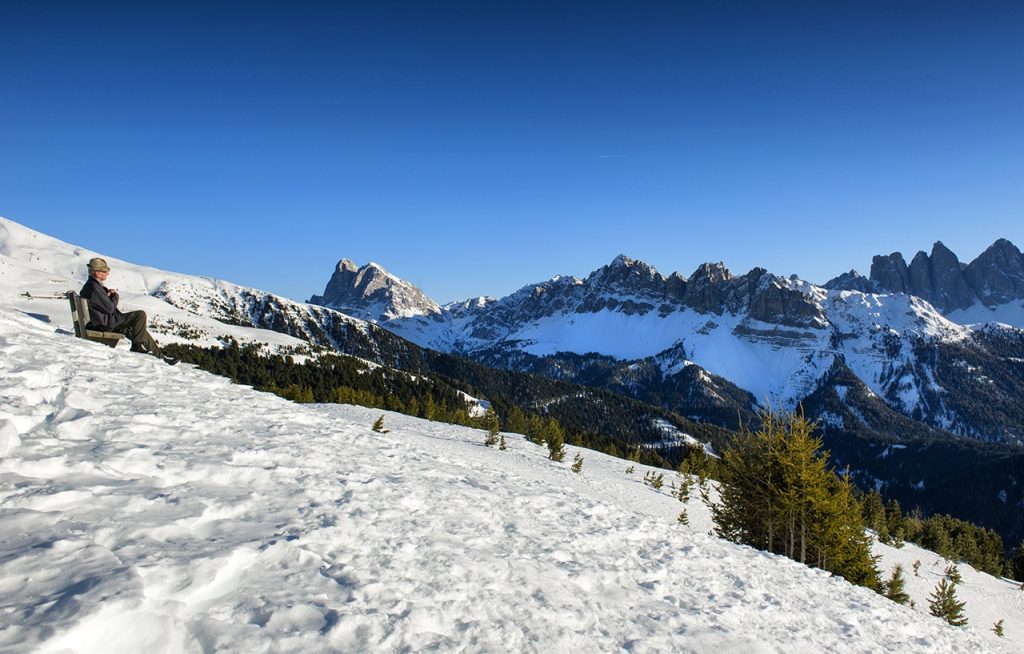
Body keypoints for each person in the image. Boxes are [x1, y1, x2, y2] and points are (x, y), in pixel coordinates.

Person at [80, 257, 178, 365]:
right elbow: (110, 308)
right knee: (140, 315)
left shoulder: (93, 286)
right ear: (97, 273)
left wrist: (107, 295)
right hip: (106, 324)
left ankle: (161, 358)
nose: (107, 274)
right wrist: (115, 296)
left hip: (103, 322)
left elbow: (101, 304)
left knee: (140, 332)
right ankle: (137, 347)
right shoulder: (94, 288)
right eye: (105, 271)